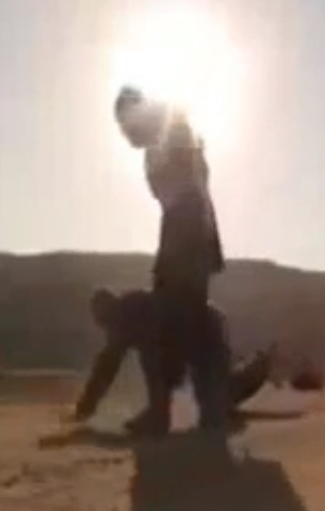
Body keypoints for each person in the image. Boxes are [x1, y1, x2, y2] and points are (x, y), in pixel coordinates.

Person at [114, 86, 227, 435]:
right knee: (188, 323)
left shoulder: (173, 131)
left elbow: (190, 189)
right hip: (187, 234)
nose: (125, 135)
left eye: (126, 125)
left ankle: (164, 411)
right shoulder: (166, 136)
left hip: (185, 235)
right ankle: (205, 409)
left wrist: (190, 246)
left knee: (165, 322)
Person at [67, 289, 273, 428]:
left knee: (213, 404)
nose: (105, 329)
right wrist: (86, 406)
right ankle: (256, 369)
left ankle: (157, 414)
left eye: (101, 321)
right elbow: (108, 364)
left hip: (203, 329)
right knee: (214, 401)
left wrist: (85, 408)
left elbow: (107, 366)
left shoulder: (125, 313)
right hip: (203, 327)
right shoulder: (129, 311)